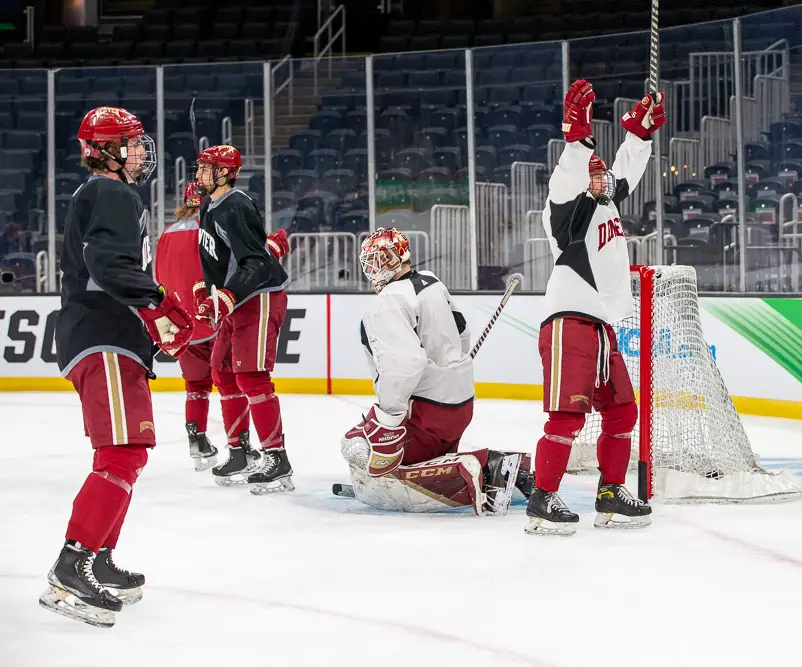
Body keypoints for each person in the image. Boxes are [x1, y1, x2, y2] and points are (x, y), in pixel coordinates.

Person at [40, 106, 194, 628]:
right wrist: (156, 302)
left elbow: (111, 267)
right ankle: (71, 567)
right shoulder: (111, 192)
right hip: (103, 335)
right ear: (104, 150)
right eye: (128, 143)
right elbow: (109, 266)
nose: (138, 152)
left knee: (127, 455)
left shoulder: (107, 194)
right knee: (121, 453)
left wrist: (150, 317)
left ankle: (97, 558)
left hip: (109, 336)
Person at [526, 80, 665, 536]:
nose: (601, 176)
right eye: (593, 172)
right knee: (567, 415)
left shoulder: (603, 202)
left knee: (623, 411)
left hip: (601, 326)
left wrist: (639, 133)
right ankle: (542, 499)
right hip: (570, 321)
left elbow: (624, 173)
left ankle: (609, 493)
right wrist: (577, 136)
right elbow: (570, 177)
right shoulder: (565, 211)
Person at [339, 227, 532, 515]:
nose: (374, 269)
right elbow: (462, 331)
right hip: (461, 404)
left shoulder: (386, 303)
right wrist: (451, 365)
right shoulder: (431, 281)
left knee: (356, 446)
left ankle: (477, 465)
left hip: (426, 412)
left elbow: (405, 365)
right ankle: (499, 467)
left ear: (395, 259)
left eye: (379, 260)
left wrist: (389, 420)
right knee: (425, 447)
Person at [155, 182, 290, 472]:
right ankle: (249, 451)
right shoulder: (210, 226)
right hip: (215, 314)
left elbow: (160, 280)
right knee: (234, 377)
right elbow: (240, 258)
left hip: (184, 319)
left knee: (199, 383)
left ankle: (203, 440)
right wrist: (271, 248)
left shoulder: (167, 234)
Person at [192, 145, 294, 494]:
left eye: (208, 169)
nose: (200, 174)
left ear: (225, 172)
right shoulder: (209, 206)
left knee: (251, 375)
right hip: (238, 300)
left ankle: (276, 456)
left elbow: (257, 262)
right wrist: (207, 290)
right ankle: (239, 450)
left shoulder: (235, 205)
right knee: (222, 371)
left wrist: (227, 294)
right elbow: (223, 258)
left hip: (259, 296)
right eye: (201, 168)